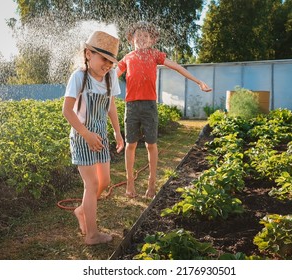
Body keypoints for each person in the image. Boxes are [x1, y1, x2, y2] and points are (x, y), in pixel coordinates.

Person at [116, 22, 212, 199]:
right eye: (139, 36)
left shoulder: (155, 55)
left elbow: (177, 67)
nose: (142, 38)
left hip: (149, 106)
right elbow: (112, 76)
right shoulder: (127, 58)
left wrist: (198, 81)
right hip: (131, 106)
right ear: (132, 40)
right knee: (130, 145)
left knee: (151, 145)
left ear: (152, 40)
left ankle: (152, 184)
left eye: (146, 36)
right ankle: (130, 184)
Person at [62, 31, 124, 245]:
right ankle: (92, 234)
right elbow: (67, 111)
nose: (107, 64)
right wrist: (86, 134)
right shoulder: (79, 77)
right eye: (103, 59)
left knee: (105, 181)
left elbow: (111, 106)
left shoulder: (110, 77)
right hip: (82, 135)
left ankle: (81, 210)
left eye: (111, 61)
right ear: (89, 54)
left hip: (101, 135)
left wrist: (117, 131)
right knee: (92, 183)